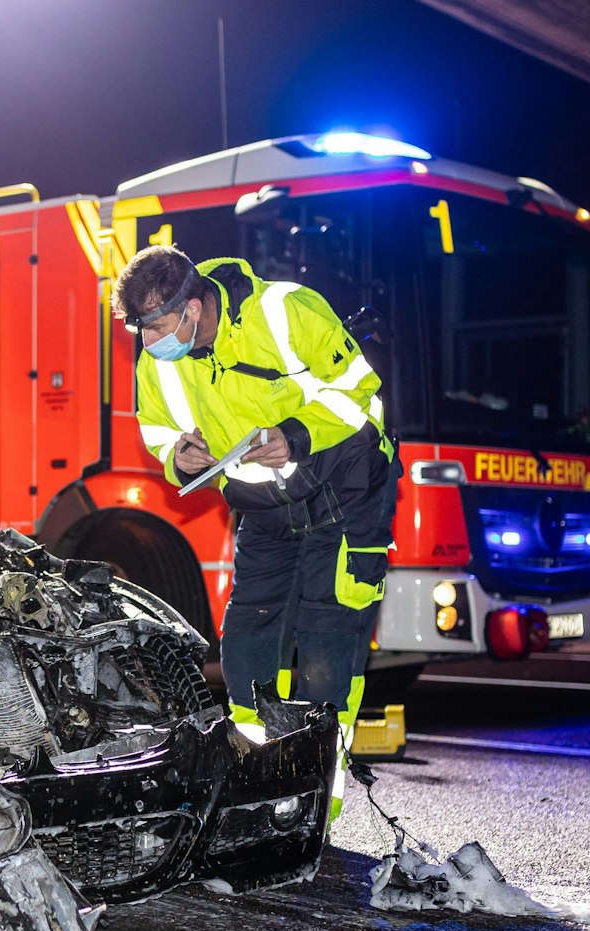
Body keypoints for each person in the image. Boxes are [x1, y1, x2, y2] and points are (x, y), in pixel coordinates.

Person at [117, 245, 397, 823]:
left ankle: (320, 799)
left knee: (326, 646)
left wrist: (295, 433)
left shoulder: (286, 310)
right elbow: (156, 427)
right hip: (265, 511)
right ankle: (255, 777)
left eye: (160, 328)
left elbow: (359, 392)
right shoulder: (159, 359)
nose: (151, 345)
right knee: (246, 643)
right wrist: (179, 454)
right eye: (143, 332)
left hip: (344, 496)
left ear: (193, 308)